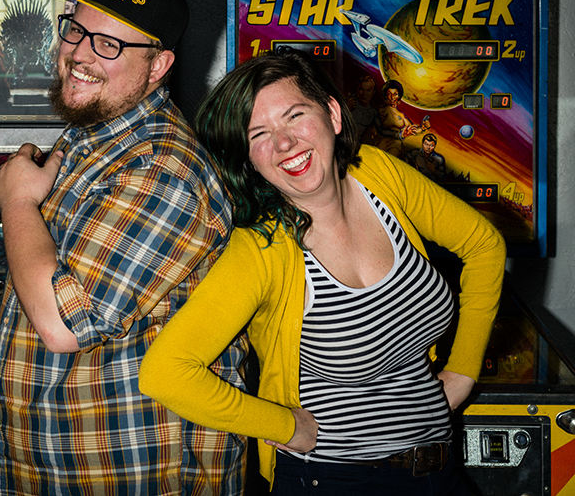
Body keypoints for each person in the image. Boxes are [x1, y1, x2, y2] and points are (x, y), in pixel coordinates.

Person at [139, 47, 506, 495]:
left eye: (294, 116)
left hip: (438, 470)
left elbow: (484, 245)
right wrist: (285, 425)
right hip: (333, 479)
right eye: (259, 134)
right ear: (249, 157)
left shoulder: (378, 173)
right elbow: (166, 372)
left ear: (332, 114)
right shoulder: (260, 250)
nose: (284, 143)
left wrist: (463, 370)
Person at [0, 0, 246, 495]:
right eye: (76, 30)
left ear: (158, 64)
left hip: (130, 470)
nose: (79, 53)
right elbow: (51, 279)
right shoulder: (91, 135)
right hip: (56, 459)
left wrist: (17, 203)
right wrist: (3, 401)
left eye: (109, 43)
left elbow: (65, 324)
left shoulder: (163, 168)